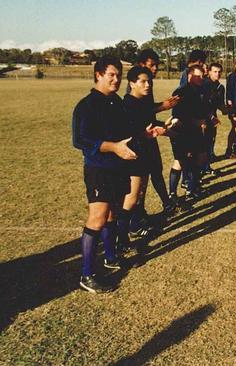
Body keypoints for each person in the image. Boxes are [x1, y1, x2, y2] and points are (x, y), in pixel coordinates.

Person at [72, 56, 152, 293]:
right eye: (111, 75)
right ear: (98, 75)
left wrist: (145, 134)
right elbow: (80, 140)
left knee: (112, 214)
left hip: (118, 167)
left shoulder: (115, 102)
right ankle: (87, 275)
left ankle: (110, 257)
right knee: (98, 217)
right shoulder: (87, 105)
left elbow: (125, 132)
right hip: (98, 168)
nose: (116, 79)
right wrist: (113, 147)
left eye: (118, 75)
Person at [126, 49, 179, 228]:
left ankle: (163, 205)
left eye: (156, 65)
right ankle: (134, 222)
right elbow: (139, 115)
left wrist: (162, 126)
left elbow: (146, 114)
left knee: (154, 172)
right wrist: (163, 107)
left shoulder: (146, 86)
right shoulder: (135, 91)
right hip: (139, 143)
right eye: (151, 65)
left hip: (148, 138)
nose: (155, 69)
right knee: (138, 186)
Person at [120, 66, 168, 247]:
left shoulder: (144, 103)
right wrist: (145, 133)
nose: (148, 85)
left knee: (139, 194)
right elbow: (129, 132)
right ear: (132, 83)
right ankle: (122, 238)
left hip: (145, 152)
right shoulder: (128, 104)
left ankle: (134, 226)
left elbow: (150, 124)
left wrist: (164, 127)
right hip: (134, 155)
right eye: (143, 81)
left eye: (149, 81)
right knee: (132, 197)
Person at [168, 65, 210, 202]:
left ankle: (192, 188)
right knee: (180, 162)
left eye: (202, 76)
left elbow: (204, 109)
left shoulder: (202, 90)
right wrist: (195, 121)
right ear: (190, 76)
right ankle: (172, 194)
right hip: (182, 132)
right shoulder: (181, 92)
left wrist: (208, 118)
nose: (201, 78)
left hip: (196, 131)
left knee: (201, 157)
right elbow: (177, 116)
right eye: (198, 76)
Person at [203, 62, 227, 165]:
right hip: (202, 118)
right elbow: (201, 104)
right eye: (215, 71)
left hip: (213, 118)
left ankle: (208, 161)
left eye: (219, 72)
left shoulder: (220, 87)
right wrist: (210, 116)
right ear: (209, 72)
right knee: (202, 142)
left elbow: (220, 105)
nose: (217, 74)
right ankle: (203, 167)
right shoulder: (204, 85)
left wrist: (232, 110)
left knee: (211, 139)